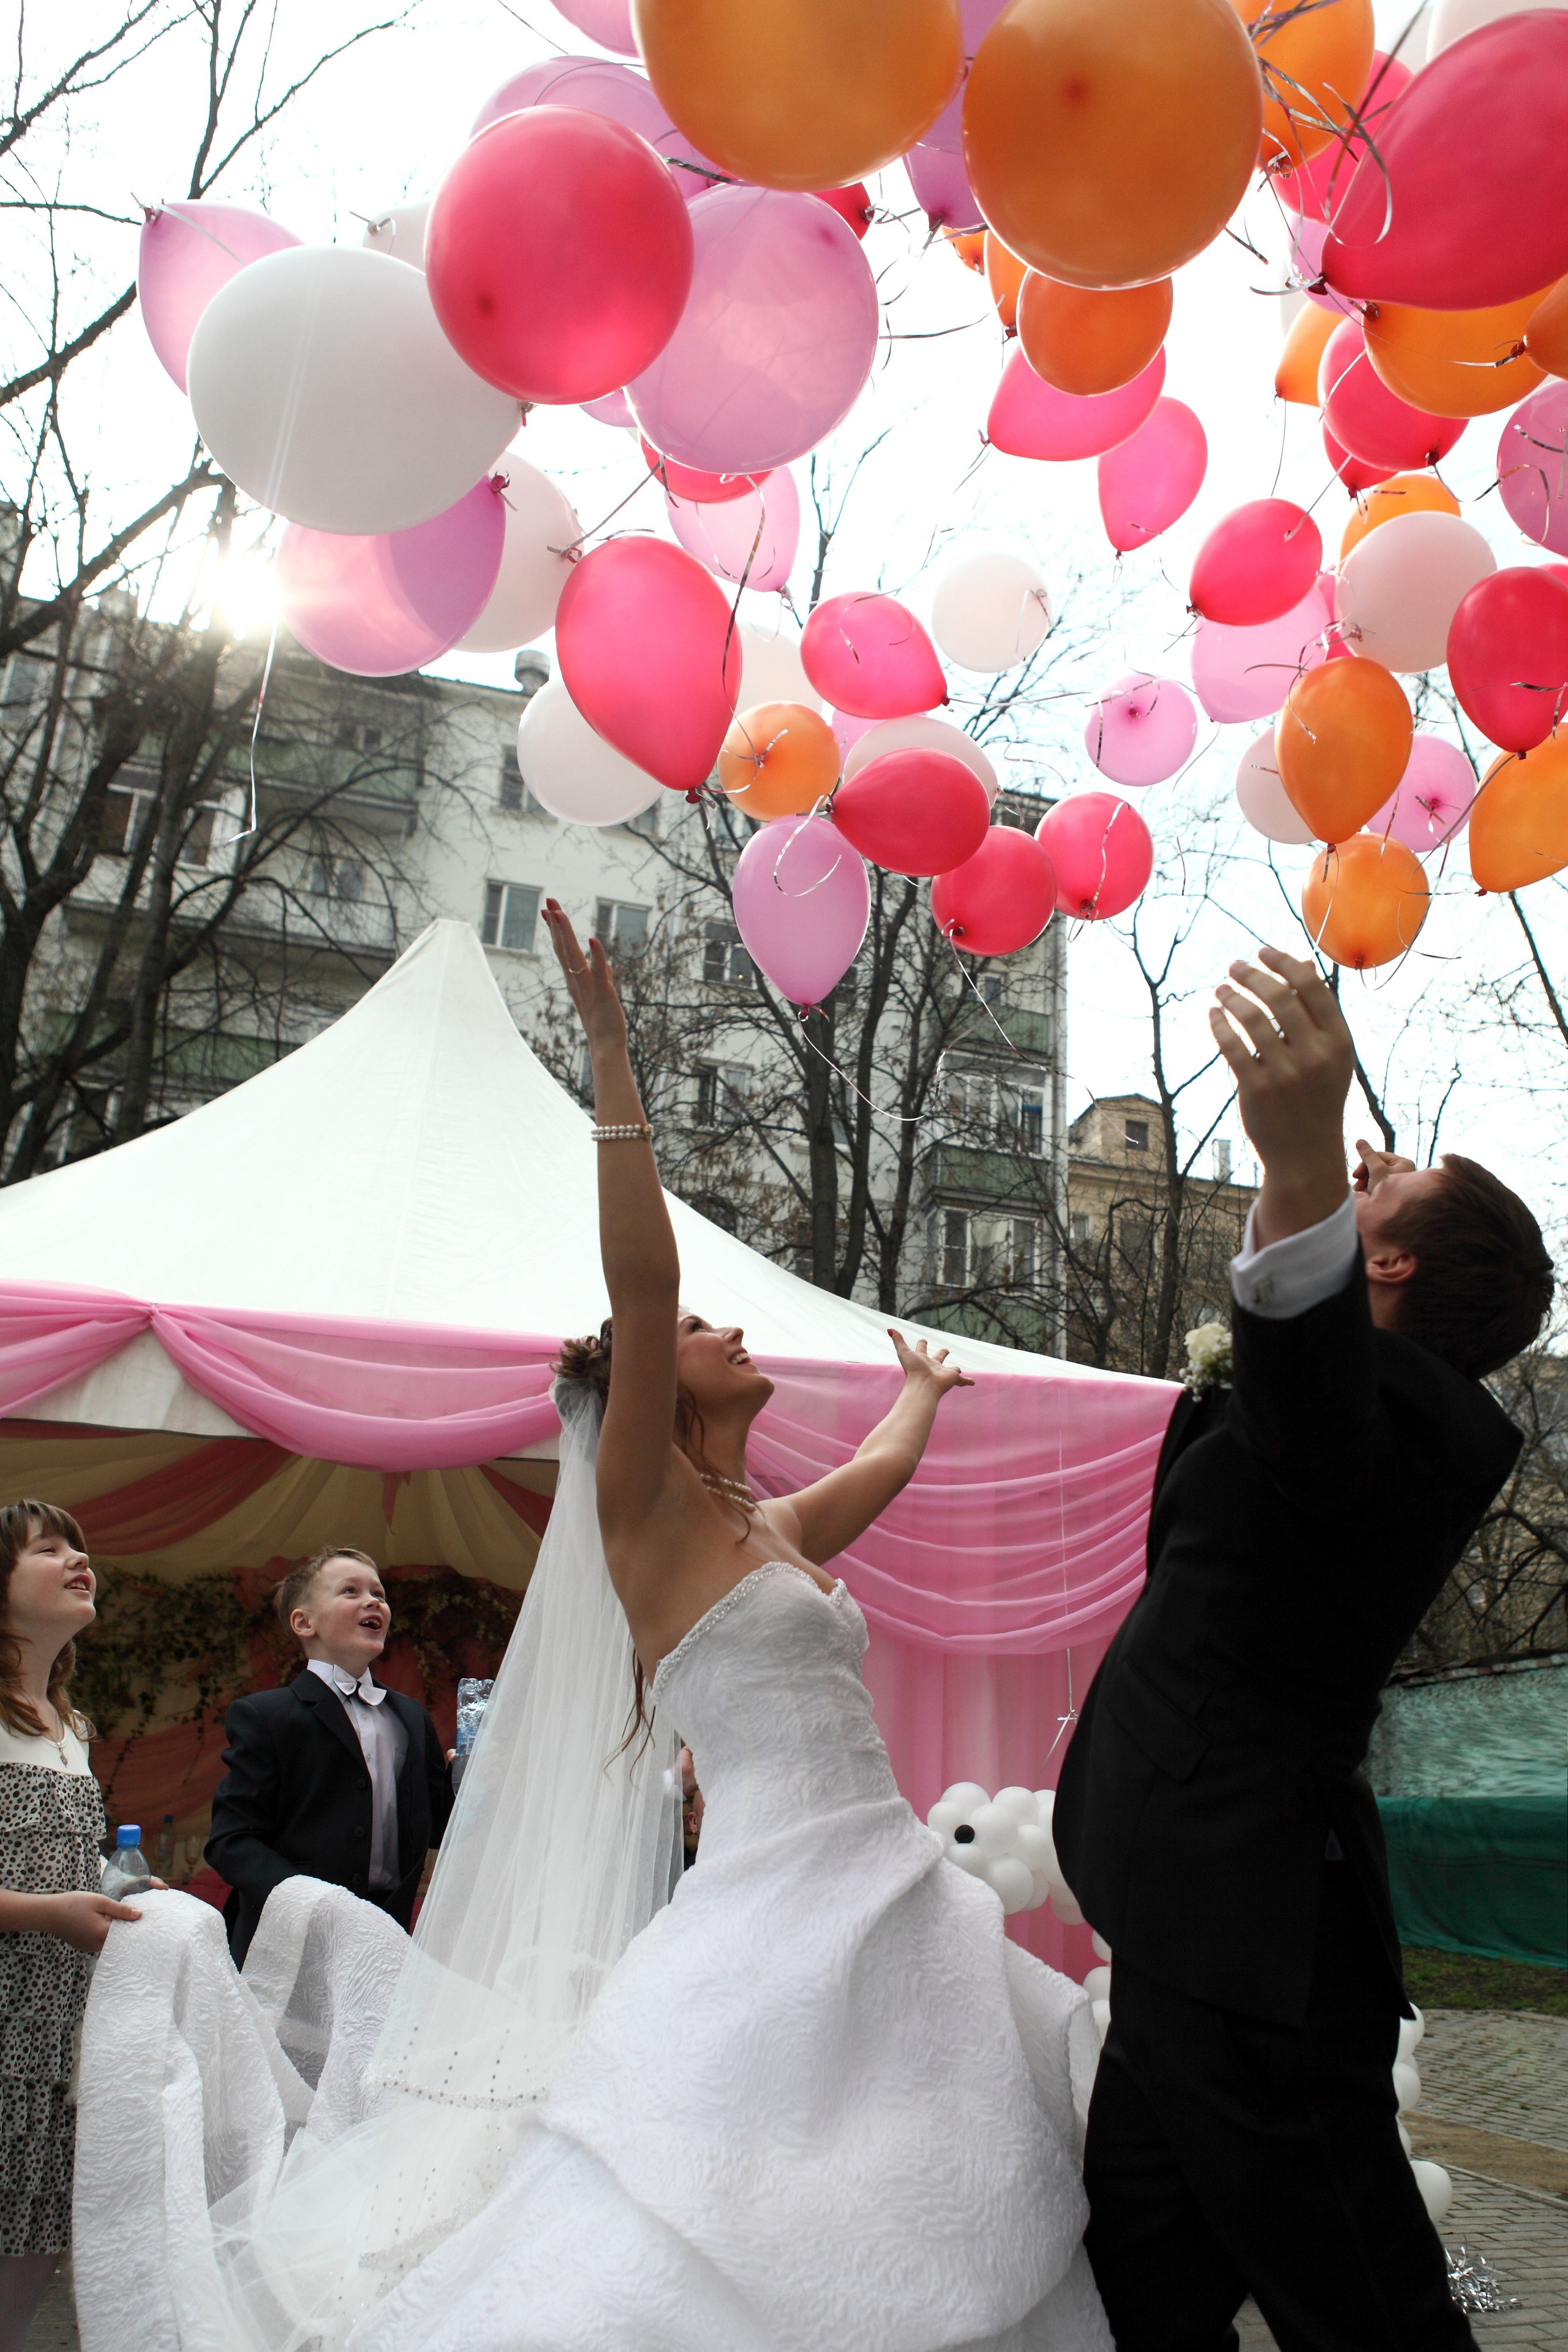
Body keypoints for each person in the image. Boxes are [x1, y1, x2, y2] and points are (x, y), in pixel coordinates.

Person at [333, 899, 1110, 2352]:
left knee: (916, 2159)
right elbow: (645, 1284)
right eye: (706, 1336)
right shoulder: (646, 1514)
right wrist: (613, 1055)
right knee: (714, 2188)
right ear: (649, 1385)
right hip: (765, 1899)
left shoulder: (769, 1532)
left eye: (717, 1327)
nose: (729, 1332)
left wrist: (920, 1400)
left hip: (884, 1874)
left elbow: (872, 1475)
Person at [1054, 947, 1554, 2352]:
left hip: (1250, 1948)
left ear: (1380, 1260)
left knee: (1366, 2309)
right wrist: (1343, 1203)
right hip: (1187, 1929)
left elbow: (1308, 1397)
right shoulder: (1350, 1400)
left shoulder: (1398, 1435)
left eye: (1393, 1185)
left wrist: (1294, 1164)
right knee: (1137, 2295)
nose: (1369, 1171)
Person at [0, 1502, 146, 2352]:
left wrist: (116, 1887)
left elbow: (60, 1864)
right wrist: (46, 1914)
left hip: (61, 2034)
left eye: (81, 1546)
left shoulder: (74, 1726)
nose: (78, 1558)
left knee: (35, 2236)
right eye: (49, 1550)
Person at [206, 1547, 454, 1965]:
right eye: (351, 1592)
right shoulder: (267, 1716)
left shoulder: (411, 1717)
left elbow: (437, 1830)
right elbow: (232, 1841)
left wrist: (466, 1779)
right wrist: (312, 1904)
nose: (373, 1601)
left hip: (385, 1938)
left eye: (378, 1592)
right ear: (305, 1623)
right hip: (288, 1944)